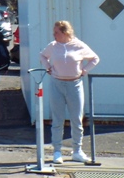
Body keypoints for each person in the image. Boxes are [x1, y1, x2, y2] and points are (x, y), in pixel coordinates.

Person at [39, 20, 99, 164]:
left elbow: (94, 58)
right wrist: (48, 67)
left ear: (65, 33)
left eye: (56, 33)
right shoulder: (53, 46)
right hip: (56, 84)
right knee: (57, 119)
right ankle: (57, 151)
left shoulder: (78, 45)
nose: (54, 35)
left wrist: (84, 71)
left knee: (76, 119)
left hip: (75, 84)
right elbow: (42, 55)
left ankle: (77, 151)